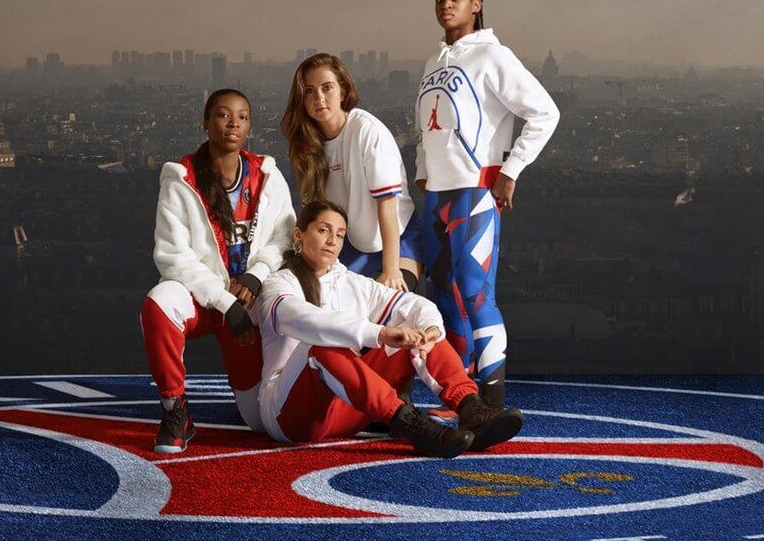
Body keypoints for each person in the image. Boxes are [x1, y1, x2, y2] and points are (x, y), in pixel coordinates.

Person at [255, 200, 523, 457]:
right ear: (299, 236)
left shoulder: (351, 282)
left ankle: (470, 408)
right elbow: (307, 321)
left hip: (348, 410)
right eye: (323, 230)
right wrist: (379, 333)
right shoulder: (278, 284)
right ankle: (410, 424)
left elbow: (411, 304)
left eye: (339, 234)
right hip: (291, 417)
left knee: (414, 327)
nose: (332, 241)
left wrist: (429, 329)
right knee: (321, 345)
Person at [415, 0, 560, 409]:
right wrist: (423, 170)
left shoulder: (493, 56)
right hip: (437, 197)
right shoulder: (433, 62)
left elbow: (545, 113)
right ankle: (462, 393)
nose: (446, 4)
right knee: (444, 294)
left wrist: (511, 170)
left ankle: (493, 400)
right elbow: (427, 128)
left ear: (476, 3)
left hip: (475, 193)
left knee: (476, 293)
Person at [140, 88, 296, 453]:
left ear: (250, 127)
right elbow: (173, 257)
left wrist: (256, 275)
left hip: (249, 302)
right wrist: (226, 304)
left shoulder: (267, 176)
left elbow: (286, 240)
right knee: (157, 304)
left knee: (258, 420)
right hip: (204, 298)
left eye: (242, 117)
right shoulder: (181, 179)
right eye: (223, 115)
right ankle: (175, 411)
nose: (233, 123)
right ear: (206, 124)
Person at [280, 53, 424, 292]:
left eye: (327, 88)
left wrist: (391, 270)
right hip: (352, 243)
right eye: (309, 91)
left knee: (386, 303)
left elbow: (387, 206)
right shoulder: (306, 144)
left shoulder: (366, 131)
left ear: (343, 92)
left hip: (397, 239)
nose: (319, 98)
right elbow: (315, 212)